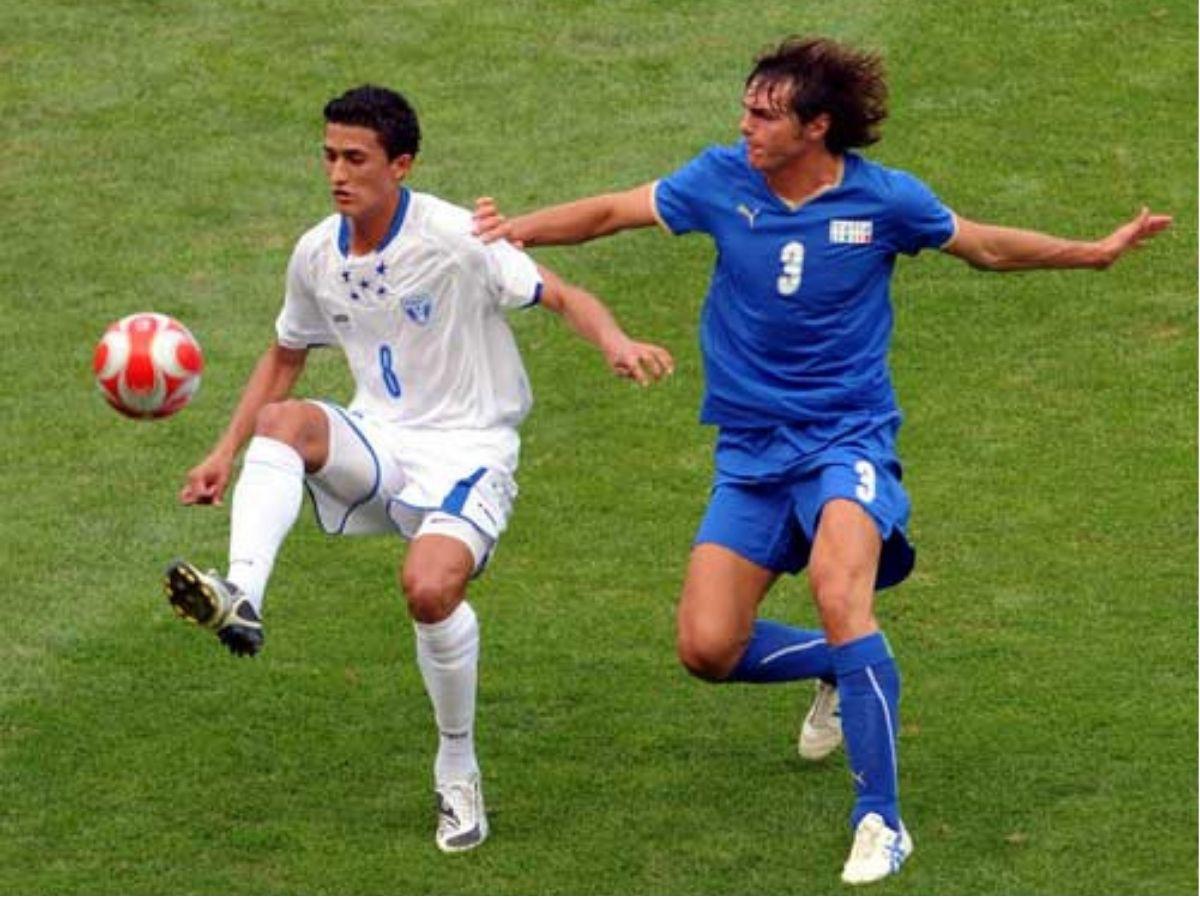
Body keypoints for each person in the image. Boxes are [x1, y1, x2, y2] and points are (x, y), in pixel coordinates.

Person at [473, 35, 1171, 883]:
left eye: (764, 116)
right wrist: (516, 231)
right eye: (745, 109)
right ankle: (845, 673)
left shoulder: (886, 202)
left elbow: (984, 245)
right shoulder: (720, 180)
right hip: (751, 454)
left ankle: (881, 817)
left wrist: (1091, 251)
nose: (745, 127)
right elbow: (615, 210)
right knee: (706, 649)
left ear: (817, 127)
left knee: (845, 595)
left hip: (847, 440)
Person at [164, 85, 674, 854]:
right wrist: (222, 453)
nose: (338, 172)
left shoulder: (455, 237)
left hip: (472, 450)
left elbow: (561, 293)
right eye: (330, 155)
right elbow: (286, 355)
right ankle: (243, 596)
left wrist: (615, 341)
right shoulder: (315, 253)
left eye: (356, 158)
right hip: (382, 440)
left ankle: (457, 769)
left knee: (430, 589)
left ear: (400, 165)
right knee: (284, 423)